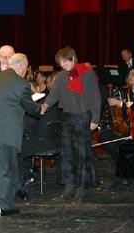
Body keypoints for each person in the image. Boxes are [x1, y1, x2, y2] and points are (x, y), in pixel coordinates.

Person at [0, 53, 40, 217]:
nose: (25, 72)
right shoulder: (21, 84)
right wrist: (41, 107)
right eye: (25, 68)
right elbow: (30, 107)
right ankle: (5, 207)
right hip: (5, 133)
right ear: (20, 66)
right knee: (6, 170)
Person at [41, 46, 100, 203]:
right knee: (66, 154)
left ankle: (80, 189)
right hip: (67, 118)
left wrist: (95, 119)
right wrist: (45, 105)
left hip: (83, 117)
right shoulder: (61, 76)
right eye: (60, 62)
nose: (61, 65)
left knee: (81, 155)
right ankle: (68, 187)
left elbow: (95, 97)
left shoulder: (86, 74)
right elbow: (54, 94)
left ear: (73, 58)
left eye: (64, 62)